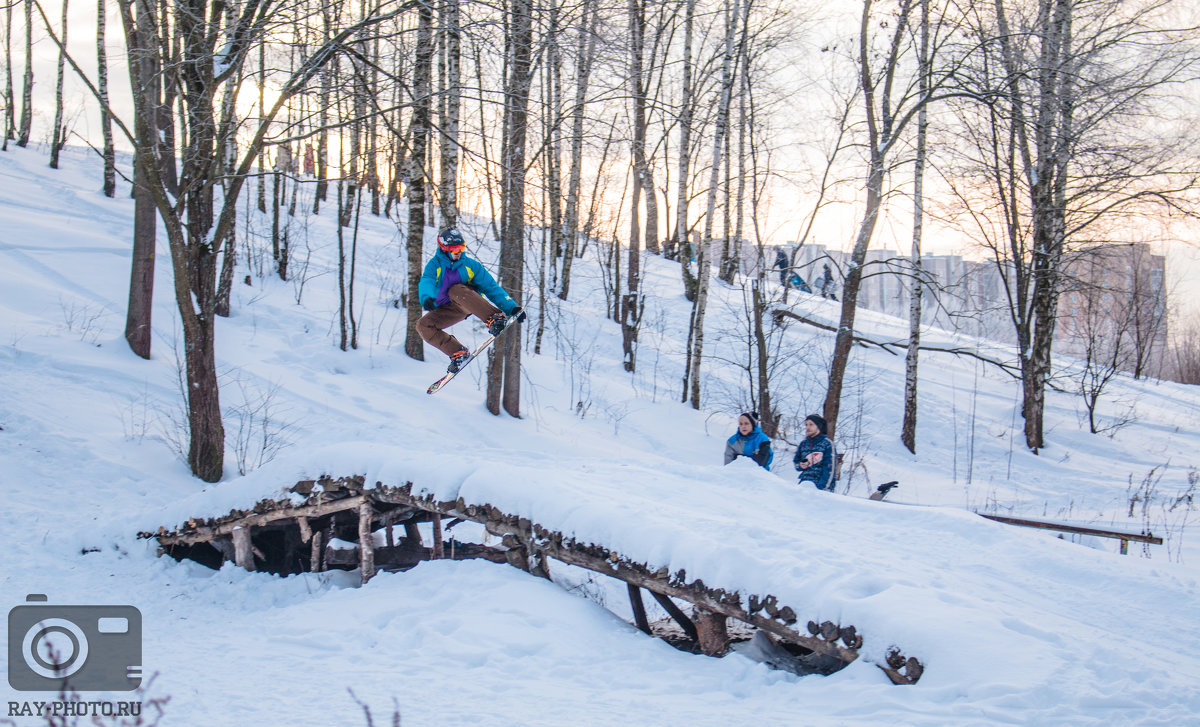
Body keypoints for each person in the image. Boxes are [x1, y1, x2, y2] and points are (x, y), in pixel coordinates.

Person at [417, 228, 525, 373]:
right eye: (455, 250)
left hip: (468, 302)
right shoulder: (434, 265)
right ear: (444, 249)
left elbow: (491, 287)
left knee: (455, 289)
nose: (459, 253)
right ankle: (458, 353)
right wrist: (427, 297)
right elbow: (427, 281)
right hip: (448, 308)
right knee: (423, 325)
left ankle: (494, 318)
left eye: (461, 248)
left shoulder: (471, 266)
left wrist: (511, 308)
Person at [794, 413, 836, 491]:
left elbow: (830, 468)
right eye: (806, 424)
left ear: (818, 426)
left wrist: (821, 488)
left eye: (811, 424)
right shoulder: (803, 444)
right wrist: (801, 465)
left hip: (822, 488)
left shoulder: (827, 444)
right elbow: (797, 462)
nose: (807, 427)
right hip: (804, 484)